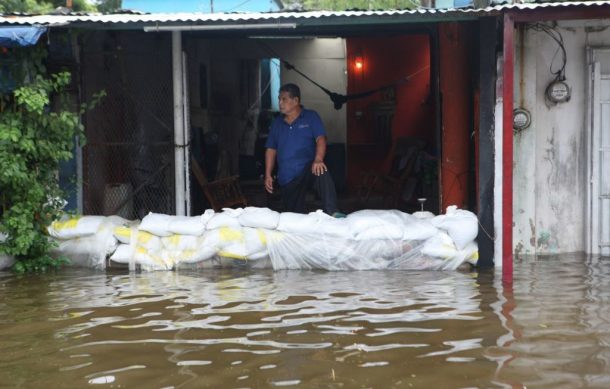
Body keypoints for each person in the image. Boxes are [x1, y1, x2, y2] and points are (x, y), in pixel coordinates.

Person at [264, 83, 344, 217]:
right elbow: (271, 149)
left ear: (296, 101)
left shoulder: (311, 117)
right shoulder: (277, 123)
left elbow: (321, 139)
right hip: (287, 177)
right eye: (279, 99)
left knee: (321, 170)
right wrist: (267, 174)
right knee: (294, 216)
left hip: (308, 169)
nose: (280, 103)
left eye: (284, 99)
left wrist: (318, 159)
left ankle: (332, 210)